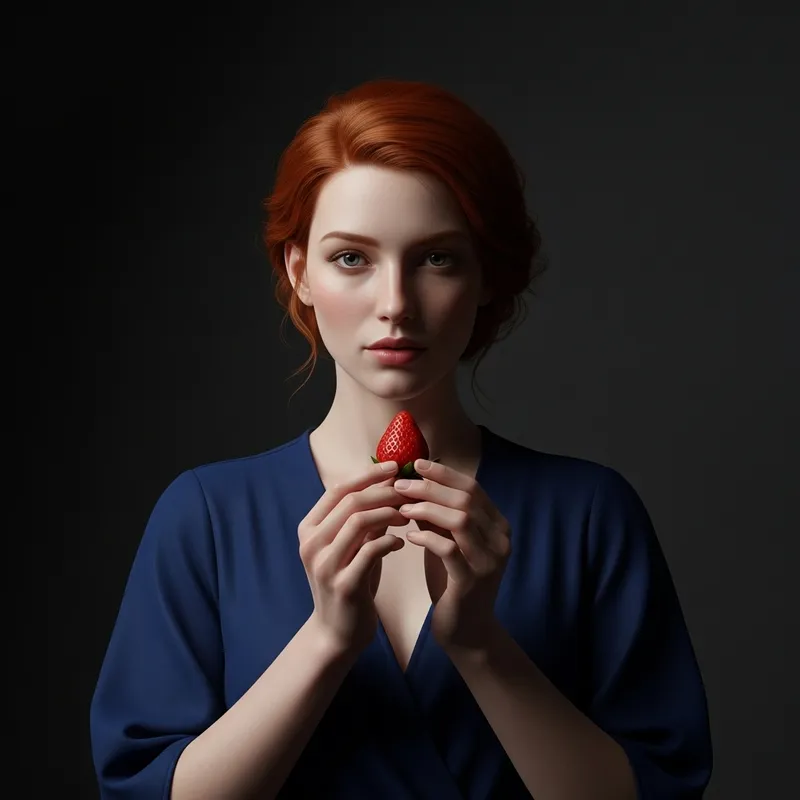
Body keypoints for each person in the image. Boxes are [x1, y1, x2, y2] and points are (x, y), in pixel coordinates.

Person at [90, 79, 713, 799]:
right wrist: (327, 640)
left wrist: (481, 646)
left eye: (437, 258)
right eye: (352, 258)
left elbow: (656, 791)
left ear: (486, 276)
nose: (395, 304)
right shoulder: (205, 517)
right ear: (299, 271)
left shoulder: (590, 514)